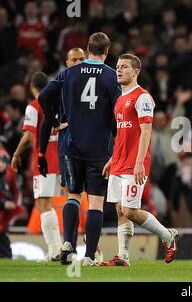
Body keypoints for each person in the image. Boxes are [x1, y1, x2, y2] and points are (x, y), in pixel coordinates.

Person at [39, 32, 121, 266]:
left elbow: (44, 96)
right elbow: (119, 111)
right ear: (107, 51)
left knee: (73, 196)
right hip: (99, 148)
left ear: (88, 48)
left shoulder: (68, 73)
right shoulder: (111, 77)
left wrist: (55, 123)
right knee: (95, 202)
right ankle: (89, 256)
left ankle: (67, 244)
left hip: (71, 145)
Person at [101, 54, 179, 267]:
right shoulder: (119, 99)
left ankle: (167, 235)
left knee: (130, 210)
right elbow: (121, 134)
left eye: (124, 67)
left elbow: (146, 132)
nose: (119, 70)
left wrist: (139, 162)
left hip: (134, 163)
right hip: (118, 162)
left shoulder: (142, 97)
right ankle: (123, 257)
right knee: (119, 210)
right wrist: (112, 158)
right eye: (117, 67)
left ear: (136, 72)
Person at [38, 48, 86, 252]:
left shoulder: (93, 83)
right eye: (73, 59)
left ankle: (88, 244)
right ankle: (69, 244)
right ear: (67, 63)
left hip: (92, 148)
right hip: (68, 148)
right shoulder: (61, 84)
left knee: (89, 199)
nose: (77, 62)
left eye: (81, 59)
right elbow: (45, 113)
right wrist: (55, 123)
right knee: (72, 195)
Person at [11, 72, 62, 261]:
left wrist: (16, 154)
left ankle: (55, 250)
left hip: (44, 161)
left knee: (43, 204)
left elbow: (30, 135)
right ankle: (57, 249)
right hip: (61, 159)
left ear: (32, 87)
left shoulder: (34, 106)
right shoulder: (59, 103)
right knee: (48, 204)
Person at [0, 150, 21, 259]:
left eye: (3, 162)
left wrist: (13, 204)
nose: (1, 164)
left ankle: (6, 255)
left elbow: (16, 193)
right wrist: (3, 204)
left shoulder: (10, 176)